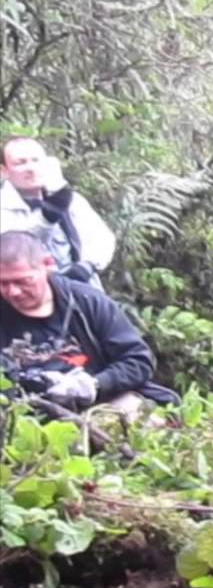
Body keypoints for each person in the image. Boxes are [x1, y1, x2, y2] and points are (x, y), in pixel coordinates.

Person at [0, 230, 176, 421]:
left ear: (47, 265)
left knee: (141, 417)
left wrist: (95, 384)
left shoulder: (87, 302)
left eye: (23, 281)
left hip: (102, 404)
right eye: (3, 283)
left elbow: (138, 361)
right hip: (24, 415)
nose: (13, 292)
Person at [0, 137, 117, 289]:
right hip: (26, 295)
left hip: (85, 290)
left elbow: (102, 237)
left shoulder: (68, 199)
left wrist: (87, 265)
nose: (31, 168)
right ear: (4, 170)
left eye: (36, 160)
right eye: (20, 163)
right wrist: (46, 219)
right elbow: (11, 249)